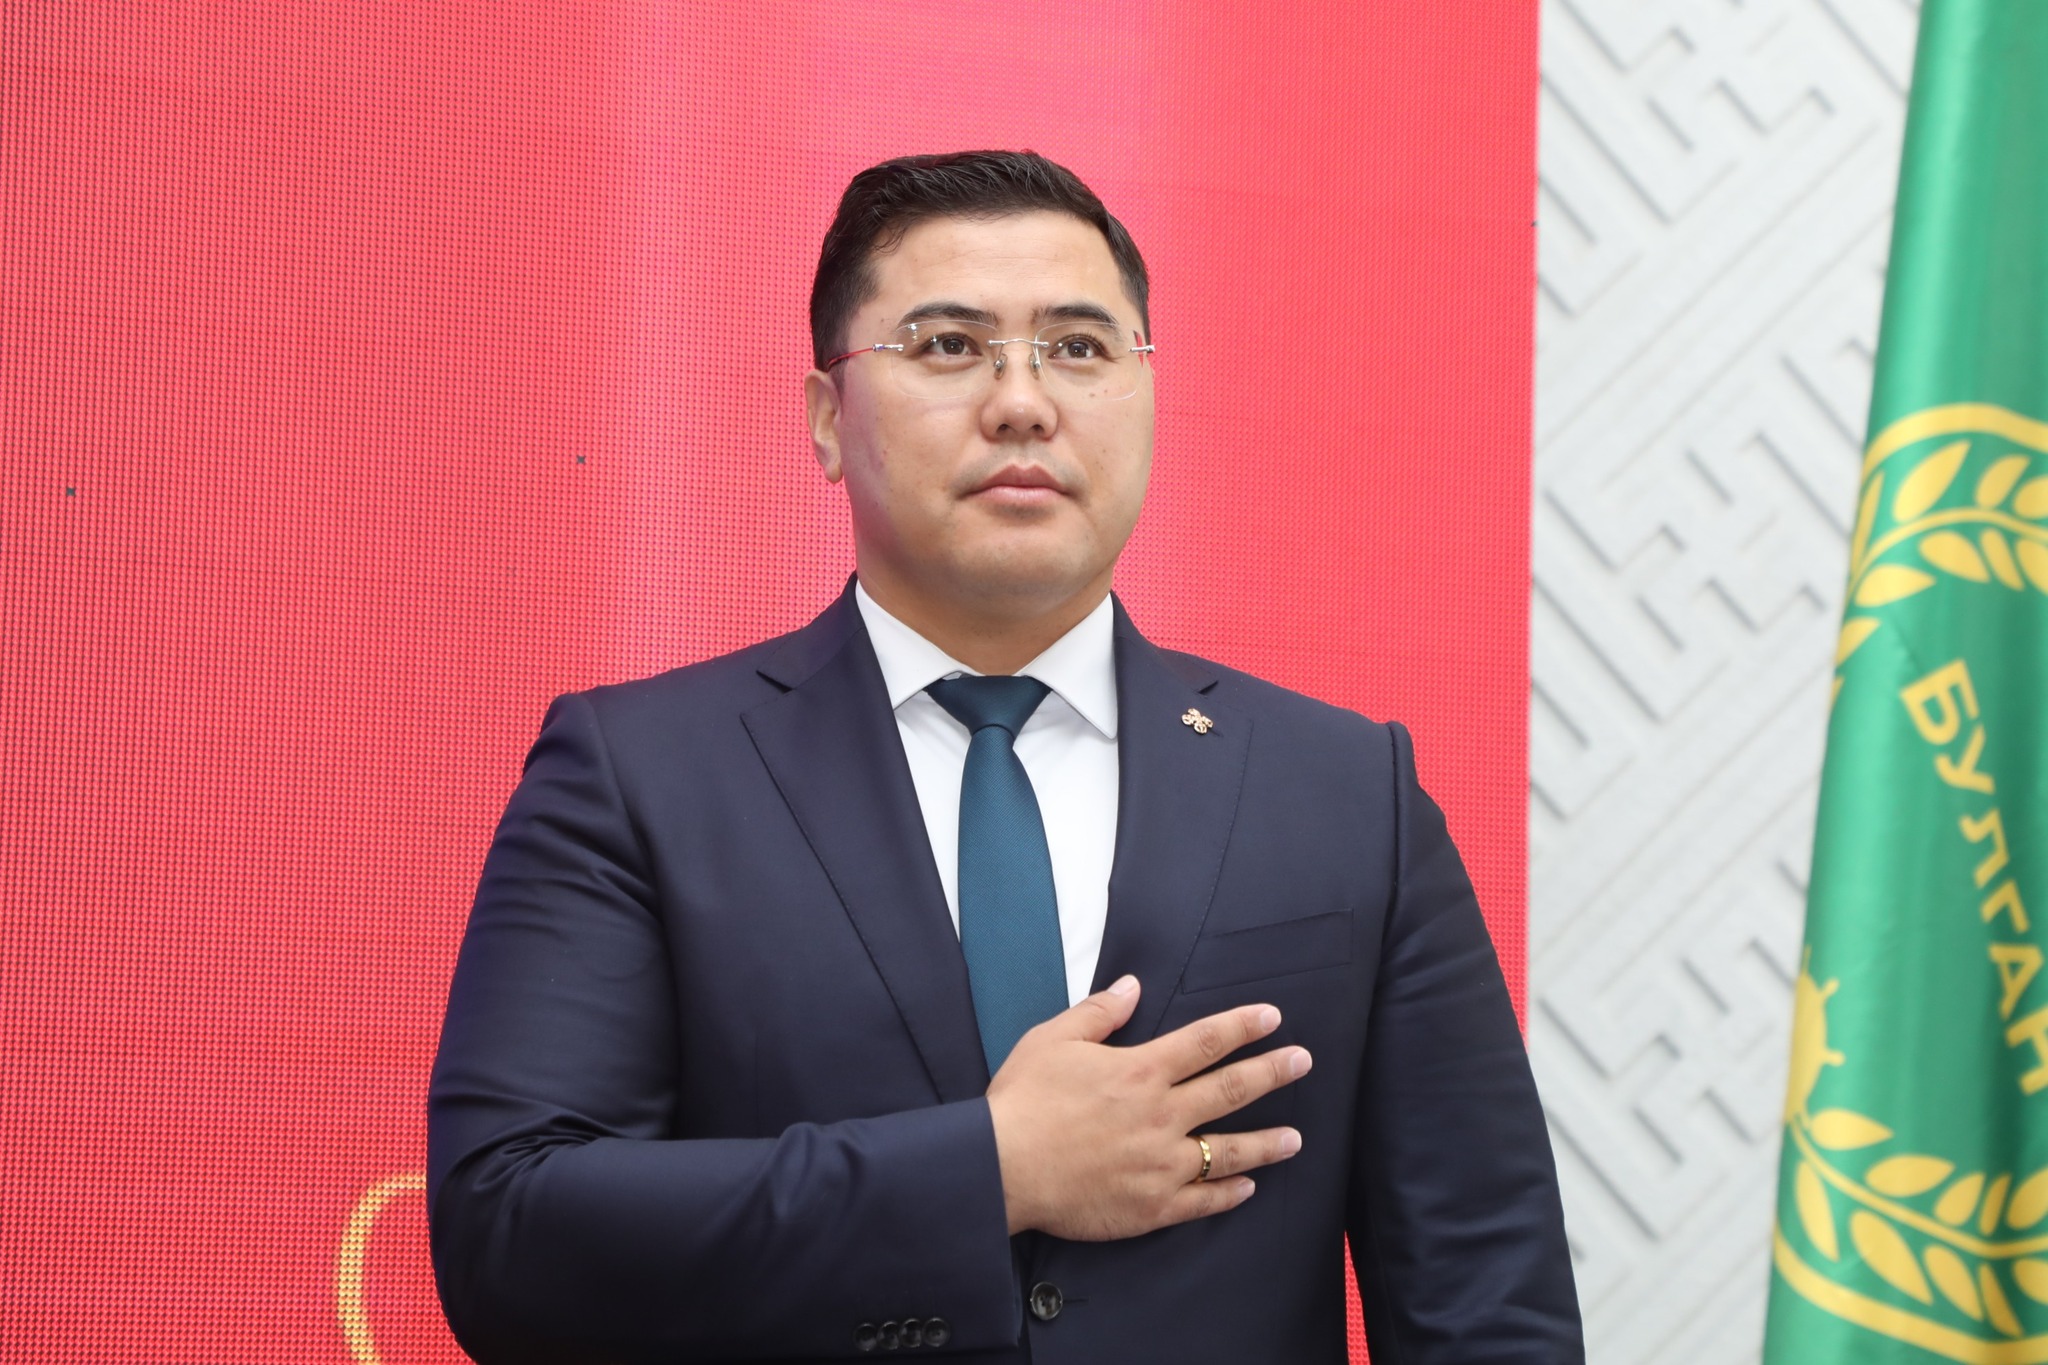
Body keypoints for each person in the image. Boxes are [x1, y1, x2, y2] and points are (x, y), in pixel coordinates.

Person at [428, 149, 1582, 1363]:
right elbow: (511, 1233)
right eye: (947, 345)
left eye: (1078, 347)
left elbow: (1484, 1300)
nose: (1022, 402)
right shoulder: (640, 777)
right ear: (826, 418)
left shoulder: (1345, 792)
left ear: (1144, 395)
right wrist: (988, 1170)